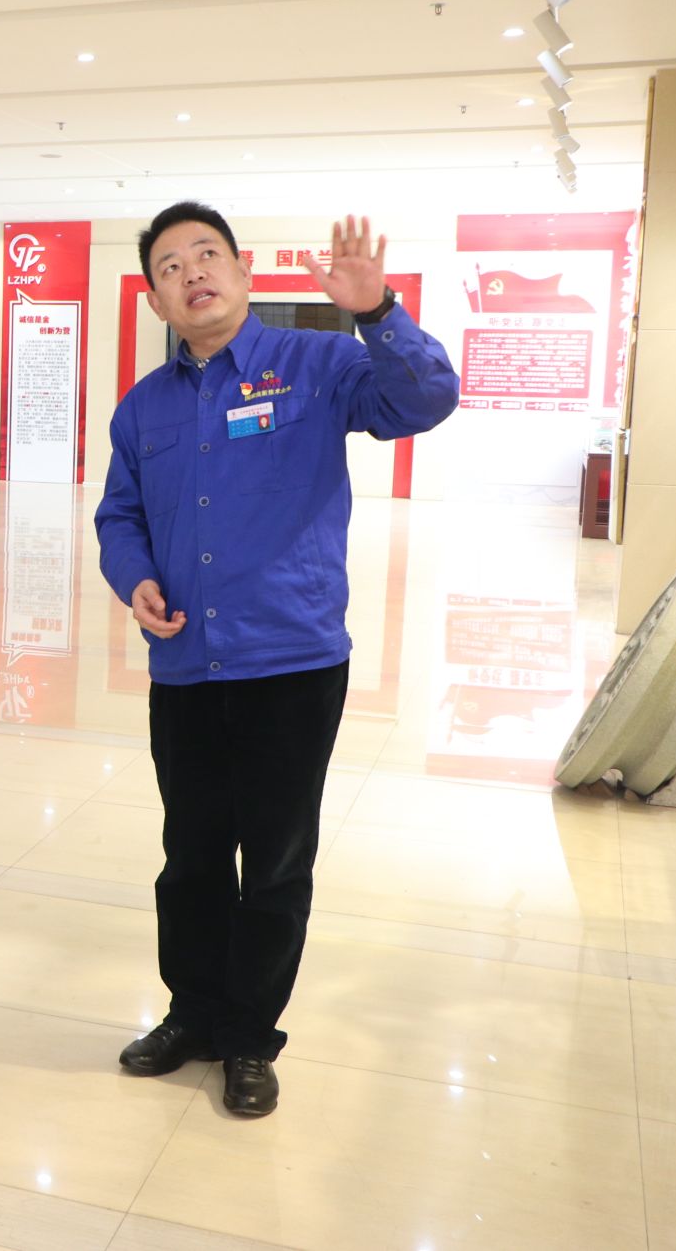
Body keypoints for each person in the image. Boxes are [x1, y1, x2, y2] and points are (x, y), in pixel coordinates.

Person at [95, 204, 459, 1118]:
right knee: (191, 856)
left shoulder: (318, 364)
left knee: (277, 861)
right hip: (187, 665)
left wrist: (378, 313)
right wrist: (135, 578)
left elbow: (424, 401)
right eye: (170, 266)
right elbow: (119, 515)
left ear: (244, 270)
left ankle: (251, 1035)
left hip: (290, 664)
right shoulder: (143, 408)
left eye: (206, 254)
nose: (192, 272)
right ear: (155, 299)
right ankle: (192, 1012)